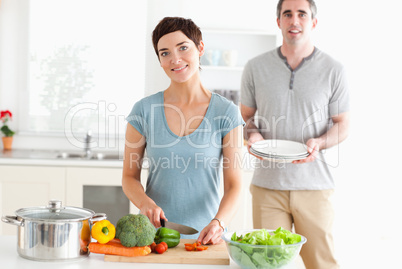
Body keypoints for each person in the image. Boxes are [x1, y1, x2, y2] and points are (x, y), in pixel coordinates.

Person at [240, 0, 350, 268]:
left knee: (322, 263)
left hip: (315, 186)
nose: (294, 20)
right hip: (268, 186)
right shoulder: (255, 67)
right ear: (278, 21)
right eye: (287, 14)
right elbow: (247, 118)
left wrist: (320, 142)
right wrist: (252, 135)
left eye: (302, 14)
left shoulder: (334, 69)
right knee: (267, 264)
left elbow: (343, 124)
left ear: (313, 22)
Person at [122, 17, 244, 244]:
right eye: (165, 53)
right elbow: (129, 178)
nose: (175, 59)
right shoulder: (144, 110)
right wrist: (145, 203)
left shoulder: (226, 112)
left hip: (206, 239)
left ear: (200, 49)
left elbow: (234, 185)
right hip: (153, 237)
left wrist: (220, 223)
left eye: (183, 48)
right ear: (159, 60)